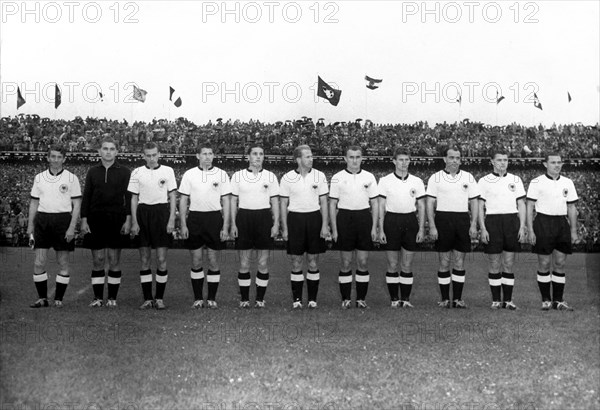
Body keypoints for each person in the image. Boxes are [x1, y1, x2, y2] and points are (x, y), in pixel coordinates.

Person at [27, 145, 82, 308]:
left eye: (59, 157)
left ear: (64, 159)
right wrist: (30, 224)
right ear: (48, 158)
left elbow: (77, 204)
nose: (56, 160)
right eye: (53, 156)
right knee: (39, 262)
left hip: (63, 221)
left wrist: (72, 227)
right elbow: (34, 202)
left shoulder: (72, 178)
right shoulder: (39, 177)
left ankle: (58, 298)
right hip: (42, 221)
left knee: (63, 261)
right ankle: (42, 298)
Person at [80, 136, 132, 308]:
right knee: (98, 259)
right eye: (105, 148)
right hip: (95, 218)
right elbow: (86, 196)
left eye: (111, 149)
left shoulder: (125, 172)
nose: (108, 152)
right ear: (99, 151)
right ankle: (97, 297)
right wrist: (84, 219)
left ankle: (112, 298)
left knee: (114, 259)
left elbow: (129, 198)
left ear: (116, 152)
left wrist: (128, 219)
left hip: (117, 218)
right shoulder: (92, 172)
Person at [178, 144, 231, 309]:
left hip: (214, 218)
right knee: (196, 260)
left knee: (213, 260)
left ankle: (212, 298)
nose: (207, 156)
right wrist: (183, 224)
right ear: (197, 156)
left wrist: (225, 226)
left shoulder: (222, 174)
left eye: (210, 153)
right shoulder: (189, 174)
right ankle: (198, 298)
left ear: (213, 156)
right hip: (195, 218)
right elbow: (183, 200)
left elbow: (227, 202)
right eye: (204, 154)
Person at [426, 145, 479, 308]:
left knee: (459, 261)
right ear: (445, 159)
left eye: (457, 158)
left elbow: (474, 202)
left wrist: (473, 223)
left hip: (462, 219)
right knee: (444, 261)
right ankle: (444, 299)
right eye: (451, 157)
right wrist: (432, 225)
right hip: (442, 219)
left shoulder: (468, 177)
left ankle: (457, 299)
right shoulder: (435, 178)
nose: (455, 161)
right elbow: (430, 203)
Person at [128, 142, 177, 310]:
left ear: (159, 154)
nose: (151, 158)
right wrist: (134, 221)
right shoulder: (136, 172)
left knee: (162, 259)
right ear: (143, 156)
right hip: (143, 214)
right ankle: (148, 298)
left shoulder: (168, 171)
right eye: (148, 155)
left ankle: (160, 298)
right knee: (144, 259)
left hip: (161, 213)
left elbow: (172, 196)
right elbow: (134, 199)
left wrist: (171, 219)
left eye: (154, 155)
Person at [527, 153, 579, 311]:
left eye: (559, 162)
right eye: (553, 162)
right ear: (545, 164)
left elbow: (571, 207)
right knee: (544, 263)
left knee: (560, 263)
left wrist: (573, 230)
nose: (557, 165)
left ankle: (558, 300)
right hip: (543, 222)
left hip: (561, 223)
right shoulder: (536, 182)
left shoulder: (568, 182)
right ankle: (546, 300)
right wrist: (530, 229)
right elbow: (529, 206)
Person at [280, 145, 329, 309]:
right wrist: (285, 228)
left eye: (311, 156)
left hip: (314, 218)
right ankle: (297, 300)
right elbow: (283, 204)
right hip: (295, 219)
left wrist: (324, 225)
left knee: (313, 261)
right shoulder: (287, 178)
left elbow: (324, 203)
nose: (311, 159)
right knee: (296, 261)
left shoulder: (320, 176)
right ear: (298, 159)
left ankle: (313, 300)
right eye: (307, 156)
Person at [230, 145, 280, 308]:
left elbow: (274, 202)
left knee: (263, 263)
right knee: (244, 263)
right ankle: (244, 299)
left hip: (264, 218)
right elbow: (233, 201)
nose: (258, 157)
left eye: (261, 154)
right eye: (254, 154)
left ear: (264, 157)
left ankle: (260, 299)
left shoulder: (271, 176)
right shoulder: (238, 176)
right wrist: (233, 223)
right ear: (248, 157)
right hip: (244, 217)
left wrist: (276, 223)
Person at [329, 145, 378, 309]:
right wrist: (334, 229)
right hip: (344, 218)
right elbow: (332, 204)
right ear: (345, 158)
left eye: (358, 157)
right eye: (351, 157)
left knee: (363, 262)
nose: (355, 160)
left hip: (364, 218)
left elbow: (375, 203)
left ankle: (361, 299)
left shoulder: (369, 176)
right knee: (346, 262)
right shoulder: (337, 177)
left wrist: (374, 227)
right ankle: (346, 299)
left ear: (362, 158)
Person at [478, 149, 527, 310]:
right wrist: (483, 228)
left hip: (511, 221)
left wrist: (522, 226)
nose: (502, 163)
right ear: (492, 161)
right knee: (494, 262)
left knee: (508, 263)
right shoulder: (484, 181)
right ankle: (496, 300)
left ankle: (508, 300)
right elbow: (480, 206)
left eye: (505, 160)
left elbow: (521, 204)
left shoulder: (516, 180)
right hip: (492, 221)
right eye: (499, 160)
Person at [378, 148, 426, 308]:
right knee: (392, 264)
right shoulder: (385, 181)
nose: (404, 163)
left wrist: (421, 228)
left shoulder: (417, 181)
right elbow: (381, 206)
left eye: (407, 160)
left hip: (410, 221)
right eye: (400, 160)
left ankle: (405, 299)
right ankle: (393, 300)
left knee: (407, 264)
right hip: (391, 221)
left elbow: (421, 206)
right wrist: (380, 228)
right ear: (394, 161)